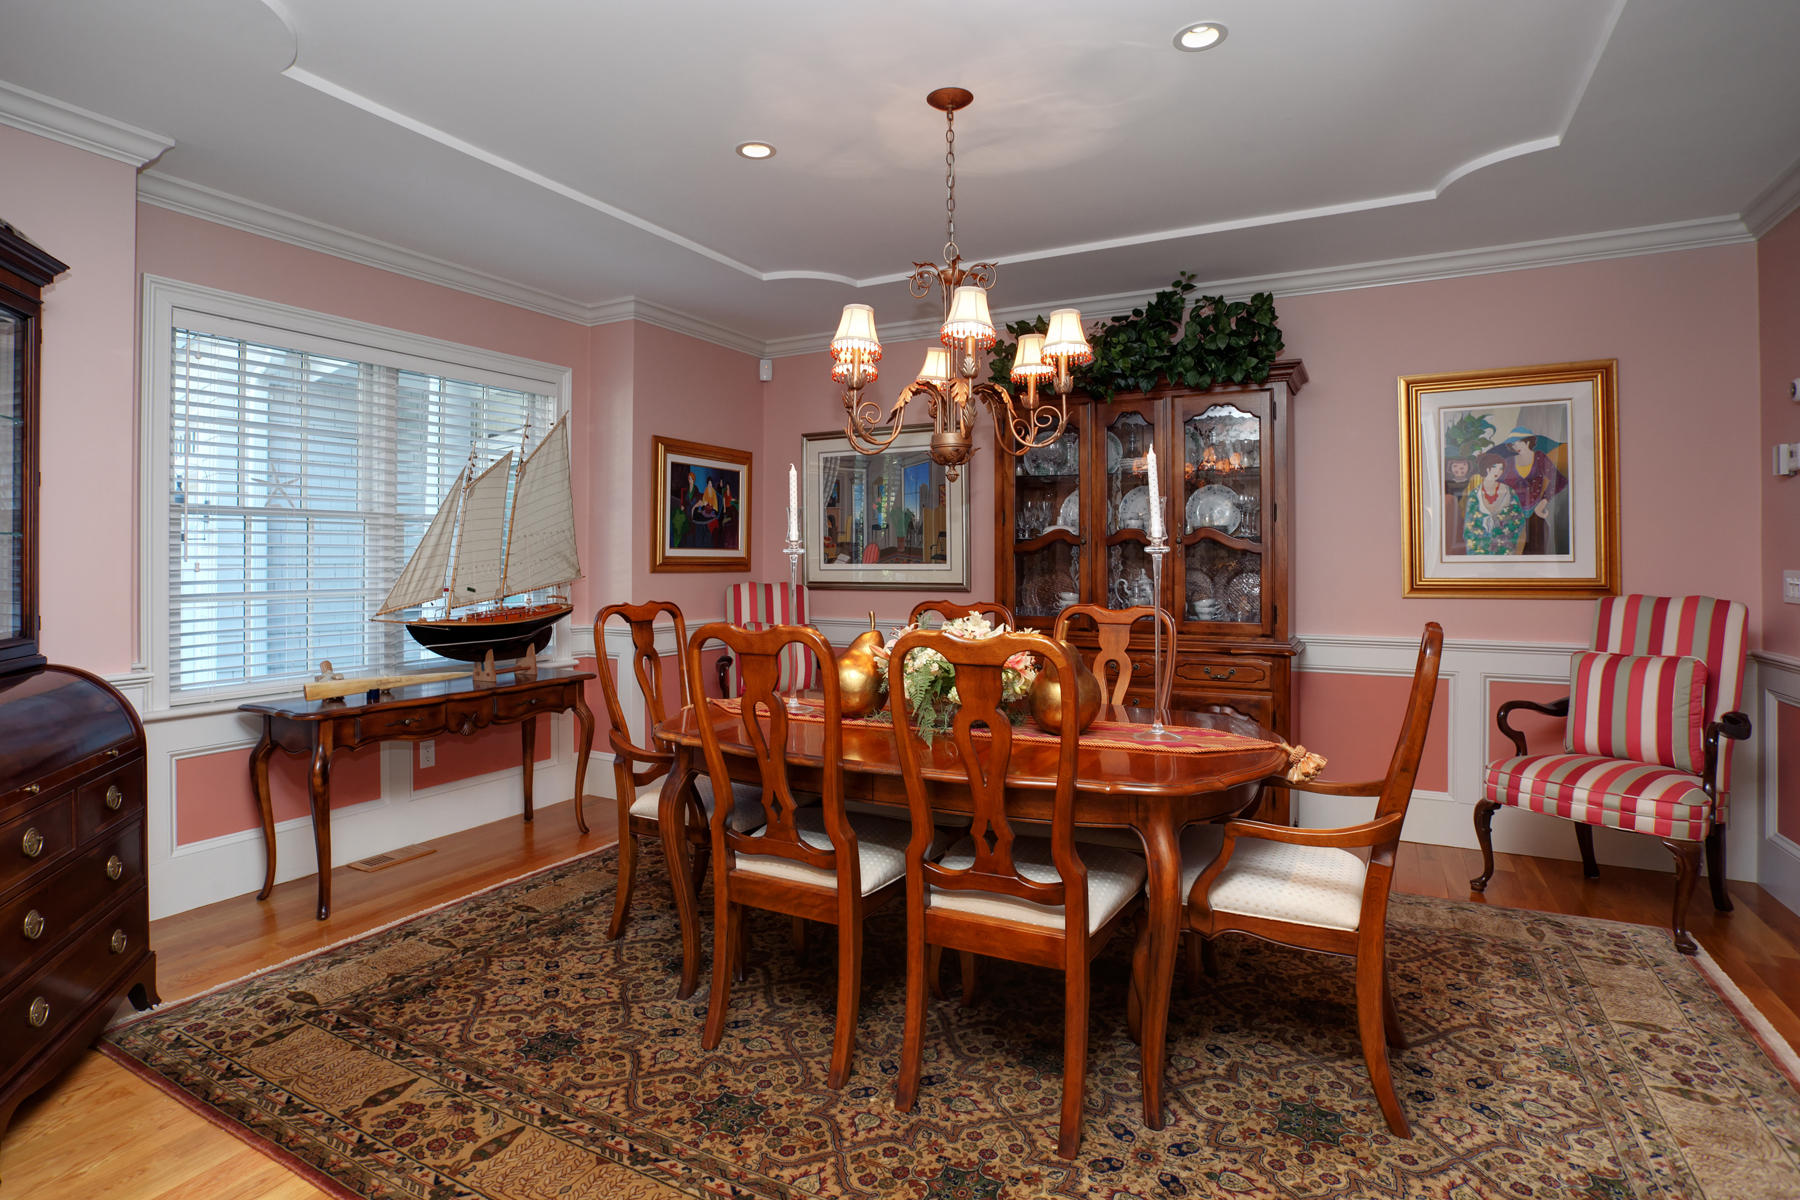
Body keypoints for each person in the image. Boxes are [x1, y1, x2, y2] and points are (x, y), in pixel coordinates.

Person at [1498, 425, 1567, 555]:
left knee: (1536, 549)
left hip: (1535, 511)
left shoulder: (1540, 457)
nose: (1516, 446)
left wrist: (1543, 501)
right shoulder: (1508, 462)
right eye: (1513, 444)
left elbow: (1559, 481)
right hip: (1511, 514)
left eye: (1518, 442)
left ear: (1528, 441)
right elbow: (1499, 485)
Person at [1463, 452, 1525, 555]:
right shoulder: (1475, 494)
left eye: (1501, 468)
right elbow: (1470, 525)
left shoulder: (1508, 491)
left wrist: (1501, 532)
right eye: (1494, 467)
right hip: (1480, 547)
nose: (1498, 471)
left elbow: (1518, 519)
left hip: (1504, 545)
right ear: (1486, 468)